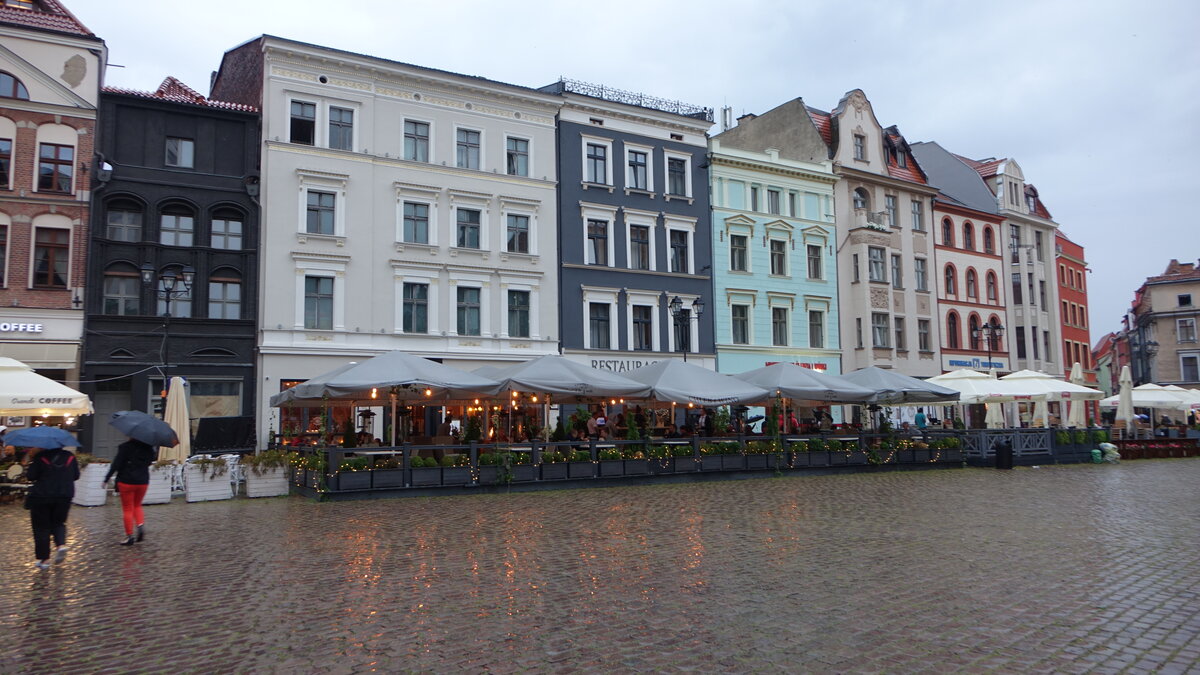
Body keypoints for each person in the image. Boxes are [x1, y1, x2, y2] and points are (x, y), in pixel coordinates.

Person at [25, 445, 80, 570]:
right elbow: (76, 475)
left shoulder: (40, 457)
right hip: (64, 495)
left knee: (41, 528)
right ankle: (60, 545)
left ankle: (44, 560)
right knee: (59, 522)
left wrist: (32, 460)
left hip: (42, 496)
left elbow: (31, 476)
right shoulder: (70, 457)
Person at [103, 436, 157, 546]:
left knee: (127, 509)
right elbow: (150, 461)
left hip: (126, 481)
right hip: (143, 481)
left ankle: (129, 536)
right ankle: (140, 525)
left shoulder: (125, 447)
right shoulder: (148, 448)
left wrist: (106, 478)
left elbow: (116, 464)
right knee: (137, 505)